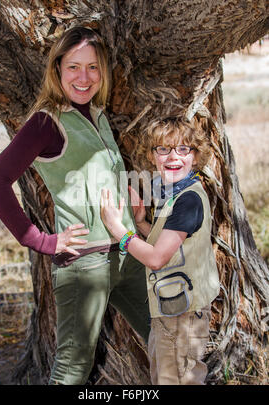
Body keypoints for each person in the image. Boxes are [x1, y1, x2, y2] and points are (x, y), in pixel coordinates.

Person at [0, 26, 150, 385]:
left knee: (166, 338)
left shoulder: (97, 116)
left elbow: (93, 178)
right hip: (84, 263)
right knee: (72, 371)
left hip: (125, 252)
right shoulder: (47, 122)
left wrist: (129, 208)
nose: (83, 77)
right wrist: (42, 240)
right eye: (73, 67)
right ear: (57, 69)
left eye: (92, 67)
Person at [100, 119, 220, 385]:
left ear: (196, 156)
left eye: (183, 149)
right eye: (163, 149)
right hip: (171, 309)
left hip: (182, 315)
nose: (173, 157)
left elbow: (156, 258)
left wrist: (118, 229)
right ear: (153, 156)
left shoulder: (188, 200)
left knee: (176, 380)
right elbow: (168, 247)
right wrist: (142, 223)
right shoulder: (178, 193)